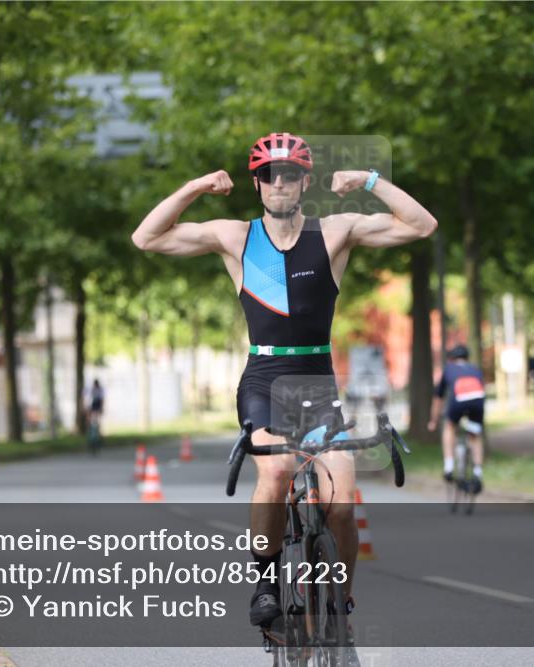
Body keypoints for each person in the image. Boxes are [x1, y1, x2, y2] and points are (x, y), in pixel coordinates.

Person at [132, 133, 437, 650]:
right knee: (274, 472)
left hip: (317, 382)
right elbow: (147, 238)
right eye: (270, 176)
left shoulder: (335, 232)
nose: (280, 184)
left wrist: (368, 180)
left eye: (290, 174)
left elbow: (422, 225)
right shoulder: (235, 236)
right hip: (263, 379)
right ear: (257, 184)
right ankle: (267, 581)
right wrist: (195, 187)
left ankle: (339, 603)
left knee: (340, 500)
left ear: (304, 181)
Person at [428, 344, 485, 494]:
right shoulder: (475, 369)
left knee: (449, 427)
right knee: (475, 435)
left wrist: (433, 421)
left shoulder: (448, 369)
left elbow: (438, 398)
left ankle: (449, 466)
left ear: (452, 358)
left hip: (459, 400)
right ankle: (478, 472)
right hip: (477, 400)